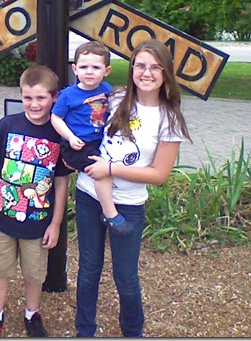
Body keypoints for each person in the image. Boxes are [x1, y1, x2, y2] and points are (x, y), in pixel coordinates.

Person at [74, 39, 191, 337]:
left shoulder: (170, 119)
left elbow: (159, 174)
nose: (146, 73)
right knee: (88, 270)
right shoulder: (114, 98)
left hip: (128, 204)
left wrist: (110, 169)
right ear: (132, 69)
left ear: (165, 73)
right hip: (89, 195)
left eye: (155, 67)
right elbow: (78, 108)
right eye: (140, 66)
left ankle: (132, 331)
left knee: (125, 276)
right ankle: (84, 330)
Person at [0, 65, 72, 338]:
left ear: (54, 97)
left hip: (38, 221)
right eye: (28, 97)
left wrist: (56, 223)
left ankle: (32, 314)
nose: (34, 104)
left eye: (41, 97)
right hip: (3, 216)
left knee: (34, 273)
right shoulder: (8, 125)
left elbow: (61, 181)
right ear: (21, 96)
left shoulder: (58, 133)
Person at [51, 41, 133, 236]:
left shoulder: (106, 89)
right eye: (83, 67)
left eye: (96, 67)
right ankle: (110, 213)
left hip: (99, 141)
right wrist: (70, 137)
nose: (89, 72)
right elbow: (56, 118)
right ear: (75, 69)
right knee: (102, 169)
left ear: (107, 70)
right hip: (77, 145)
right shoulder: (68, 95)